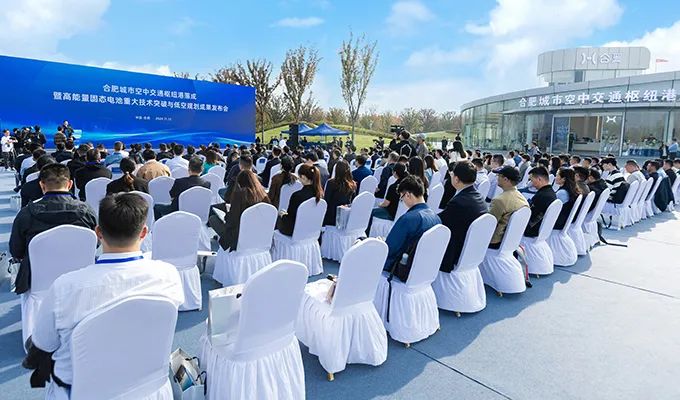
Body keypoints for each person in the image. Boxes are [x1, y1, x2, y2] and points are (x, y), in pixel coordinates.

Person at [25, 193, 184, 396]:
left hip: (81, 392)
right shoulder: (168, 274)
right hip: (148, 389)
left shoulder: (66, 287)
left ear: (98, 233)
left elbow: (43, 344)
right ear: (144, 233)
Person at [10, 163, 98, 295]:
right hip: (81, 279)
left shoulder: (26, 214)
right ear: (69, 184)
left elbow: (16, 251)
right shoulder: (87, 211)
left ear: (42, 185)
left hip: (36, 281)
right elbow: (94, 243)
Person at [381, 175, 440, 271]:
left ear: (408, 195)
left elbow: (390, 249)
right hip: (423, 269)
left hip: (399, 268)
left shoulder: (408, 219)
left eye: (402, 197)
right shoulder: (437, 218)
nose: (402, 201)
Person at [438, 161, 488, 271]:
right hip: (472, 251)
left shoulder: (459, 202)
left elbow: (439, 222)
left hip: (455, 251)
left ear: (456, 179)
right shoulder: (479, 197)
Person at [210, 170, 270, 251]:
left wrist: (227, 215)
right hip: (259, 234)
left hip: (239, 237)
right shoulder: (263, 195)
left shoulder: (240, 195)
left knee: (213, 219)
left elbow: (232, 221)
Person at [488, 166, 529, 248]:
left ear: (506, 179)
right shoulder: (522, 199)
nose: (497, 178)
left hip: (494, 242)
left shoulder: (499, 200)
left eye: (499, 176)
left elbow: (489, 224)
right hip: (511, 241)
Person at [277, 164, 324, 236]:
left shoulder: (297, 196)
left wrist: (283, 215)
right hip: (312, 233)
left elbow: (291, 220)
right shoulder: (320, 195)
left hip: (296, 233)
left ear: (303, 177)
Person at [524, 166, 558, 237]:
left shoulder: (542, 196)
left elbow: (530, 216)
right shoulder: (550, 192)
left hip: (532, 232)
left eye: (532, 180)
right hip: (542, 231)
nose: (531, 183)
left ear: (539, 179)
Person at [323, 160, 356, 226]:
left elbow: (326, 200)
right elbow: (352, 200)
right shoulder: (352, 183)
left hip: (331, 216)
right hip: (345, 215)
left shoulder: (331, 183)